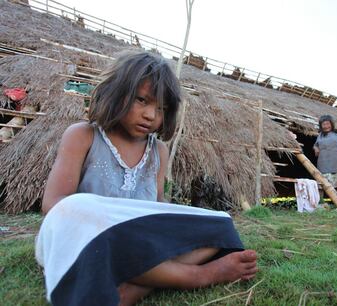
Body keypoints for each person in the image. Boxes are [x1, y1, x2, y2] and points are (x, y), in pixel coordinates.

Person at [36, 51, 257, 306]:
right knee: (77, 207)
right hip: (86, 240)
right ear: (116, 93)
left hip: (137, 240)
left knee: (221, 222)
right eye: (142, 100)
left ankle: (131, 286)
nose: (151, 115)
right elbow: (53, 204)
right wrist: (97, 215)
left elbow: (157, 208)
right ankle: (195, 275)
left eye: (161, 109)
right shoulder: (83, 135)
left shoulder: (158, 151)